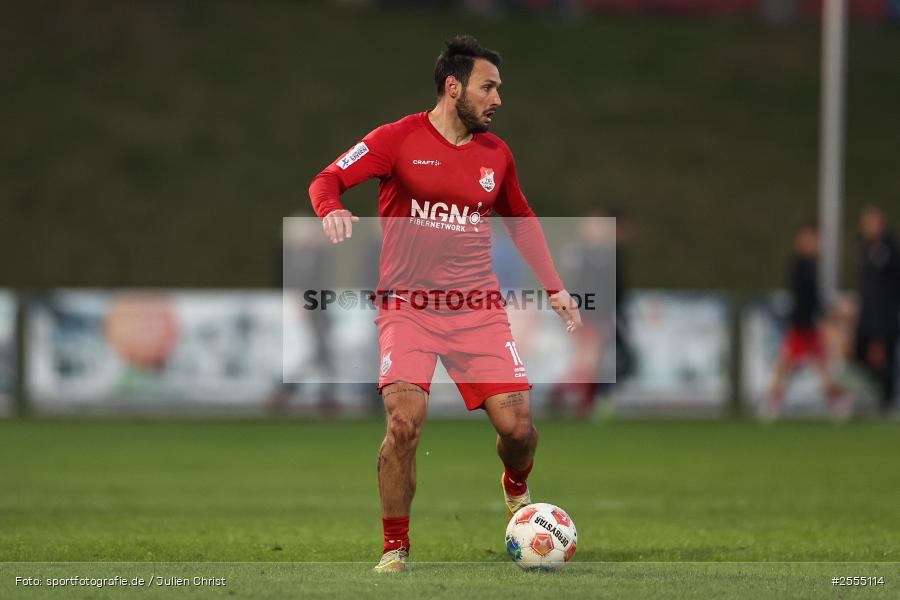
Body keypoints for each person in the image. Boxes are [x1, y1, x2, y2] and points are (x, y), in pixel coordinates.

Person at [308, 35, 582, 572]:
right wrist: (329, 209)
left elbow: (521, 220)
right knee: (404, 422)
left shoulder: (496, 155)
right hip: (407, 307)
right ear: (453, 87)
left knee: (519, 429)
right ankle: (396, 547)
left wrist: (555, 287)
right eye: (488, 86)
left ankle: (515, 485)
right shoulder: (396, 139)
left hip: (476, 309)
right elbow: (328, 178)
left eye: (499, 88)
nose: (498, 98)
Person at [764, 224, 849, 419]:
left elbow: (814, 298)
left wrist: (825, 314)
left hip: (806, 325)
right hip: (802, 325)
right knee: (797, 365)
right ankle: (837, 400)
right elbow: (808, 299)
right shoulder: (801, 266)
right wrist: (828, 314)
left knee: (810, 366)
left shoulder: (807, 265)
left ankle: (836, 400)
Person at [854, 205, 900, 414]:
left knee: (884, 357)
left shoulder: (889, 250)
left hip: (885, 316)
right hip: (868, 315)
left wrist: (880, 328)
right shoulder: (865, 249)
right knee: (861, 353)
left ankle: (888, 401)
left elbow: (886, 291)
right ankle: (878, 397)